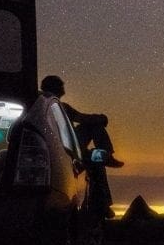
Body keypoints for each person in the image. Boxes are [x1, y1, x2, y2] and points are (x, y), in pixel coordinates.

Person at [40, 74, 123, 218]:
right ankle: (103, 203)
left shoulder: (49, 105)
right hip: (66, 153)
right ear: (57, 88)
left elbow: (82, 118)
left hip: (67, 148)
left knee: (96, 148)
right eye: (61, 86)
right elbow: (82, 118)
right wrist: (102, 118)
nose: (63, 89)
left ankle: (106, 156)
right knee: (96, 159)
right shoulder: (56, 106)